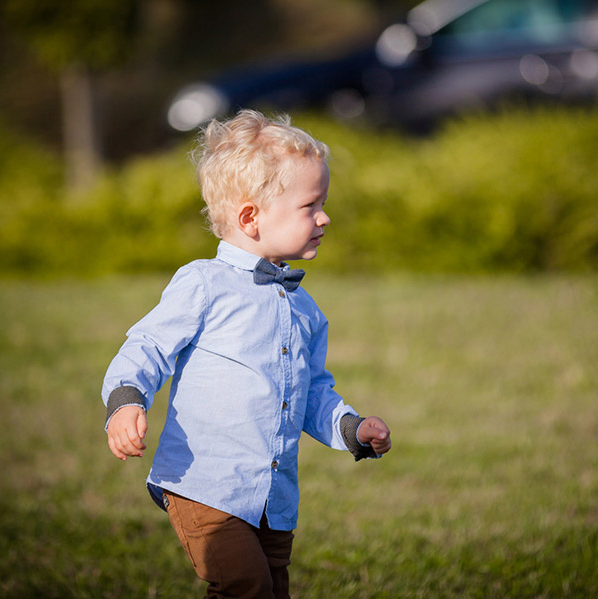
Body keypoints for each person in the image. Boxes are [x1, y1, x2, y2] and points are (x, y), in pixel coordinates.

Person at [101, 109, 392, 599]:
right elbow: (147, 346)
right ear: (250, 217)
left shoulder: (306, 310)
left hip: (272, 497)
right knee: (246, 586)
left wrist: (351, 429)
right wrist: (127, 400)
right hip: (205, 483)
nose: (325, 217)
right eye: (309, 205)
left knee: (272, 590)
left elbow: (313, 390)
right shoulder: (204, 284)